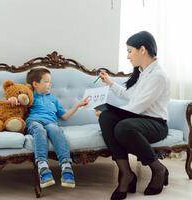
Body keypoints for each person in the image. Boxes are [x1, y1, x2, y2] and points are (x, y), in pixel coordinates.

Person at [96, 31, 170, 200]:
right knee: (106, 118)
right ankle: (126, 173)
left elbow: (138, 106)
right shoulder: (143, 72)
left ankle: (158, 168)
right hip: (139, 119)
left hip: (156, 124)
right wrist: (110, 83)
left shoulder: (158, 75)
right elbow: (131, 96)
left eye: (130, 51)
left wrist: (111, 110)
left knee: (122, 126)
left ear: (142, 50)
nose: (128, 56)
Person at [9, 68, 88, 189]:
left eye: (50, 81)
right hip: (34, 122)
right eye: (46, 81)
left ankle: (66, 166)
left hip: (51, 123)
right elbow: (18, 103)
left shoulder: (53, 99)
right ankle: (43, 167)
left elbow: (64, 116)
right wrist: (13, 99)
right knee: (40, 130)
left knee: (56, 130)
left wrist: (77, 105)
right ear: (35, 84)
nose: (50, 84)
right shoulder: (30, 96)